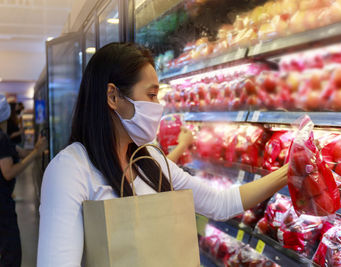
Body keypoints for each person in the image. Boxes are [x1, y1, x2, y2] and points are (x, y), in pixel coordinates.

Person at [37, 43, 288, 266]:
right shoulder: (70, 170)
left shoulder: (150, 160)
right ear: (113, 96)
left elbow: (220, 204)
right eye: (151, 95)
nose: (158, 106)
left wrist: (288, 172)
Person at [0, 95, 47, 267]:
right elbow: (8, 172)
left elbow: (18, 152)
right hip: (3, 204)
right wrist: (35, 154)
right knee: (11, 252)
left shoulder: (4, 139)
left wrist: (36, 149)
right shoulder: (2, 139)